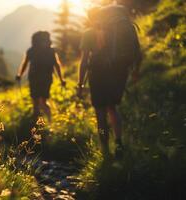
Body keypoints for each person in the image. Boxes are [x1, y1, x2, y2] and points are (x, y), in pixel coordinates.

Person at [77, 5, 142, 158]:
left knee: (100, 114)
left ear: (91, 17)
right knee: (112, 108)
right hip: (118, 73)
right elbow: (138, 52)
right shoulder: (117, 29)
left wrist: (80, 84)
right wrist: (135, 72)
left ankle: (105, 149)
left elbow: (84, 61)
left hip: (98, 75)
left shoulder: (89, 34)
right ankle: (119, 142)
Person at [16, 31, 66, 122]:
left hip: (35, 79)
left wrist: (20, 74)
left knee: (36, 101)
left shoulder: (32, 51)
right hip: (45, 79)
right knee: (42, 101)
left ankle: (38, 123)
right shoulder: (50, 51)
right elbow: (57, 65)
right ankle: (47, 121)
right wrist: (61, 79)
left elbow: (25, 63)